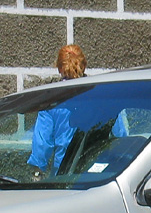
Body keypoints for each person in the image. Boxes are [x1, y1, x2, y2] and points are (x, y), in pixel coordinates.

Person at [28, 45, 127, 180]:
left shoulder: (52, 103)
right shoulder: (104, 97)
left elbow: (42, 144)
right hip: (99, 172)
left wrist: (37, 172)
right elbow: (120, 136)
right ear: (85, 65)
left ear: (59, 68)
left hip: (64, 174)